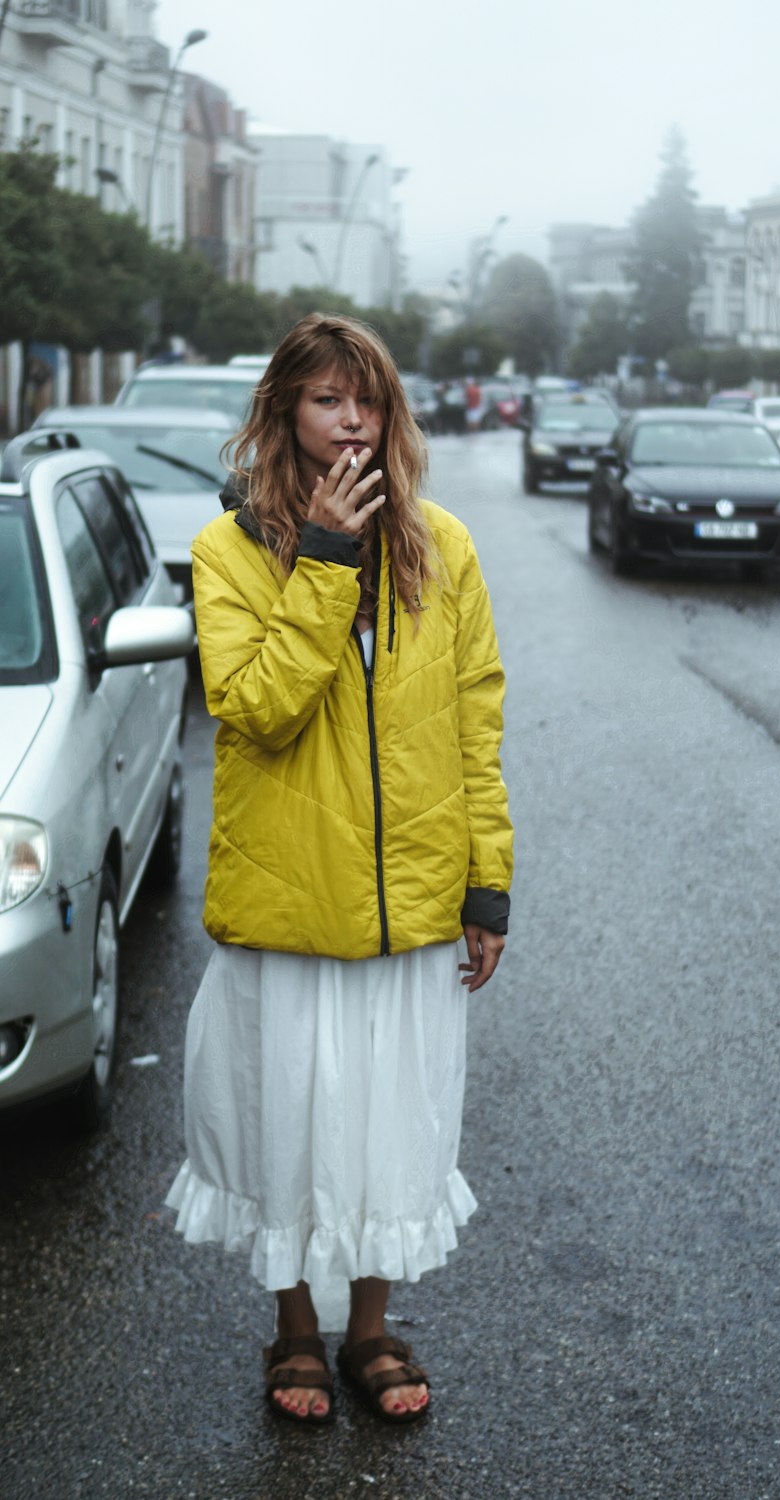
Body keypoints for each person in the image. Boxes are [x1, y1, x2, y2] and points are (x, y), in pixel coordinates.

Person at [166, 312, 513, 1427]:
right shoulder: (228, 550)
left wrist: (485, 883)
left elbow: (474, 723)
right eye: (325, 399)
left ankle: (369, 1331)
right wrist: (318, 558)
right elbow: (254, 707)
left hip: (409, 907)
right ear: (282, 415)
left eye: (365, 400)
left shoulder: (443, 545)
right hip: (286, 901)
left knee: (388, 1125)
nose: (350, 420)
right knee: (289, 1123)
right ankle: (295, 1334)